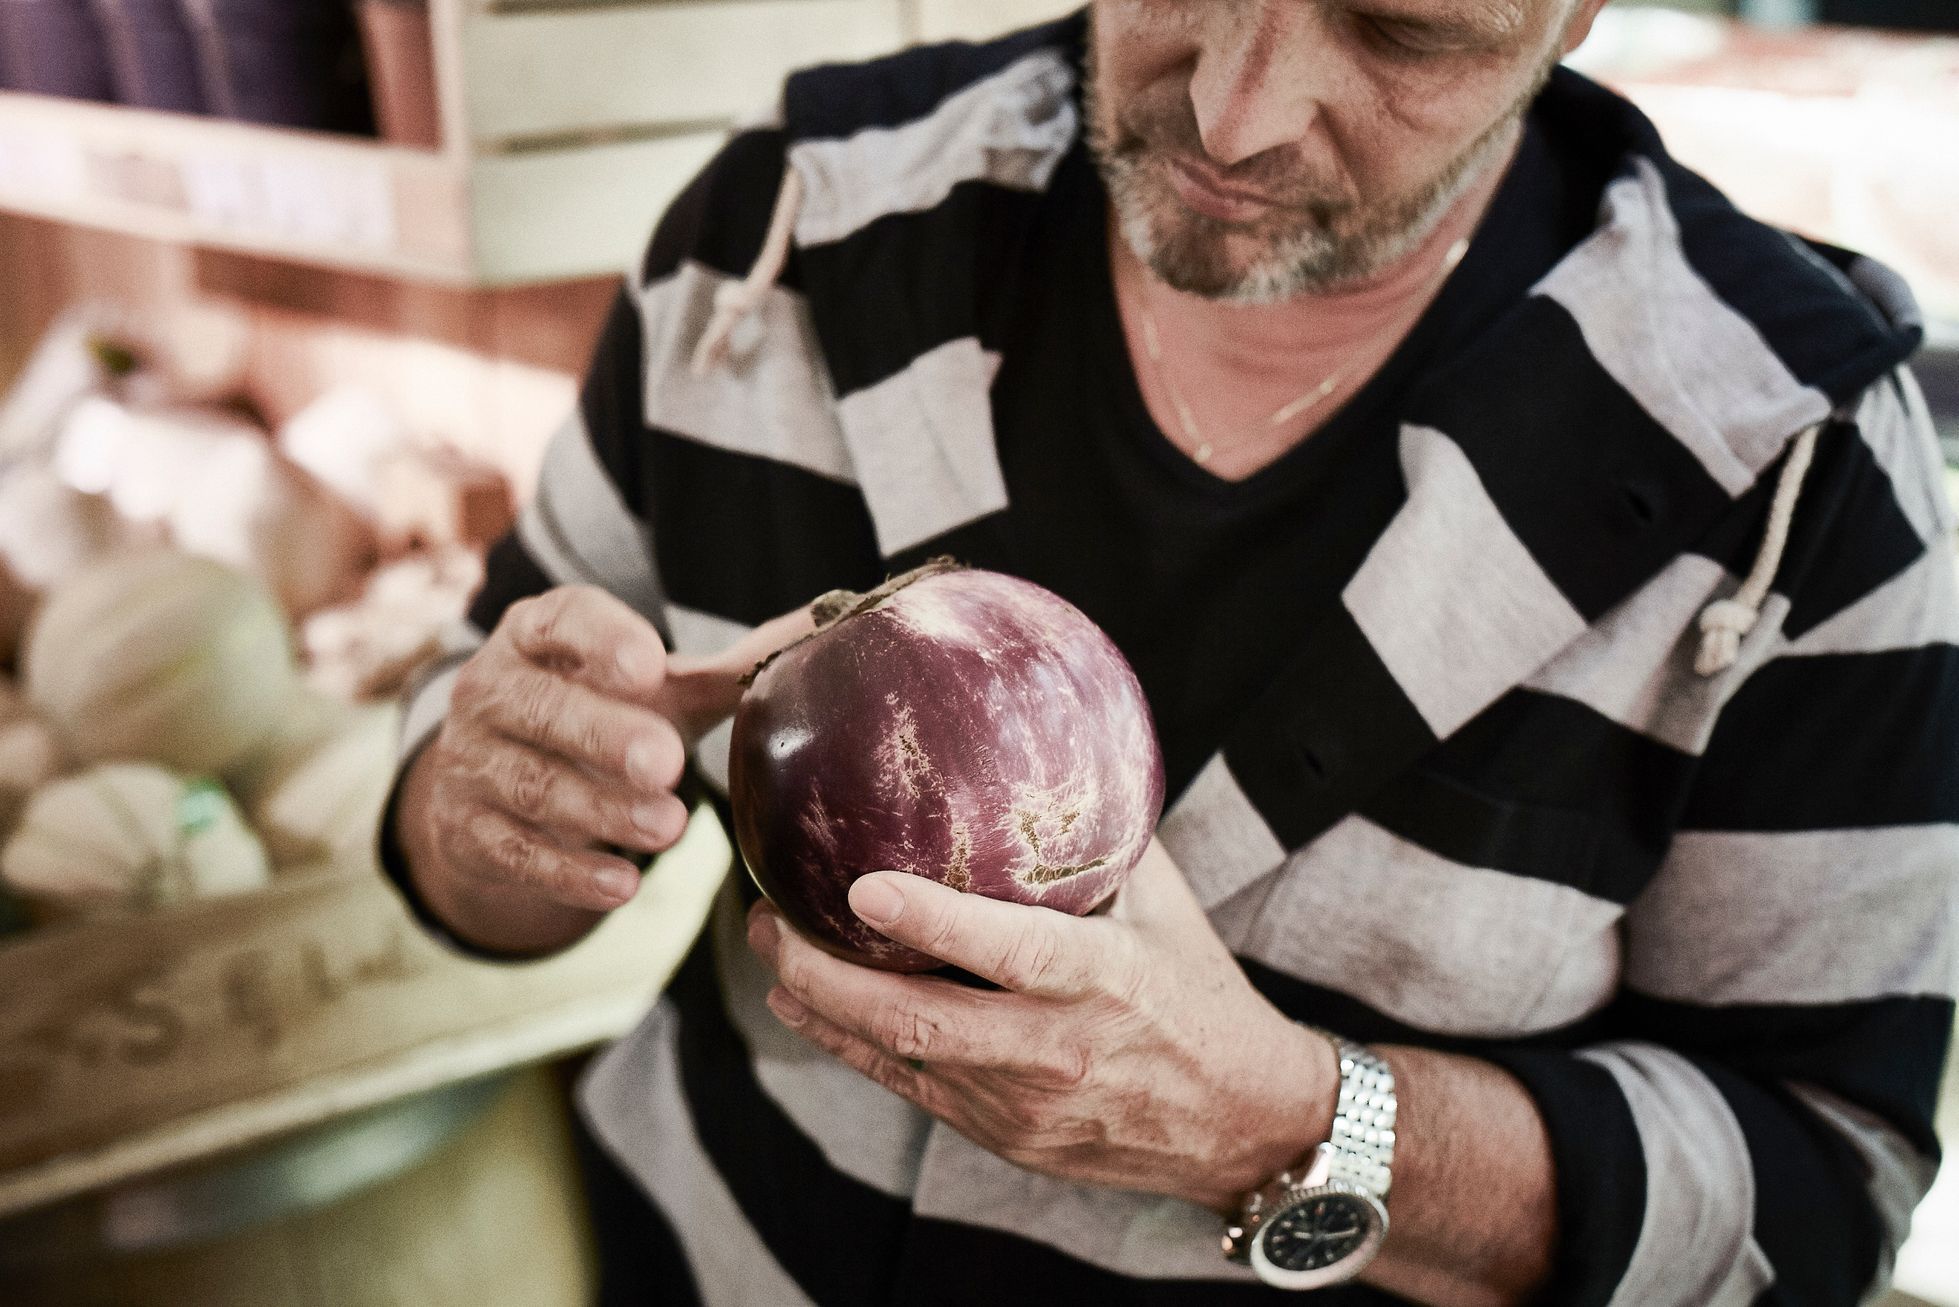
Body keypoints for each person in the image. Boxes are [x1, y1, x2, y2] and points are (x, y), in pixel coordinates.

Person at [379, 1, 1958, 1302]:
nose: (1234, 111)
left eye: (1401, 34)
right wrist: (484, 796)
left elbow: (1815, 1195)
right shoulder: (787, 232)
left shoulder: (1788, 472)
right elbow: (473, 806)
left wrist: (1291, 1124)